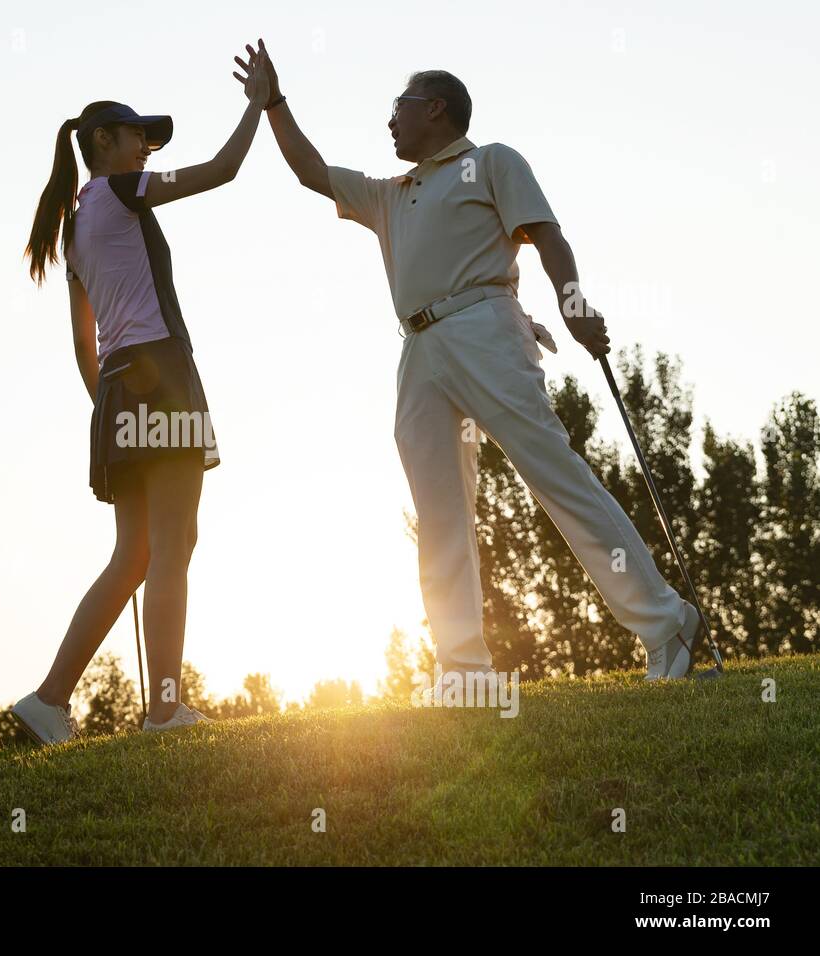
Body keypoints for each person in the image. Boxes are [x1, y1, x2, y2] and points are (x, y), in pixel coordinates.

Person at [241, 38, 702, 683]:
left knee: (552, 474)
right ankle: (464, 669)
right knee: (439, 509)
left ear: (434, 108)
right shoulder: (389, 194)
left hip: (485, 325)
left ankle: (665, 622)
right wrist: (274, 104)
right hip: (418, 348)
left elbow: (547, 234)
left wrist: (572, 304)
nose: (390, 118)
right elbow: (312, 172)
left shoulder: (492, 162)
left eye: (398, 105)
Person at [13, 48, 272, 743]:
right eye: (138, 138)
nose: (145, 150)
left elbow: (82, 346)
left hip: (117, 391)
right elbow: (222, 170)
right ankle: (163, 710)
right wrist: (260, 104)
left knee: (135, 554)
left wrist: (109, 408)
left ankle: (49, 700)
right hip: (161, 377)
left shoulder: (73, 226)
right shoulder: (123, 192)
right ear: (104, 142)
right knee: (173, 545)